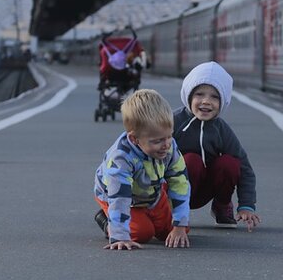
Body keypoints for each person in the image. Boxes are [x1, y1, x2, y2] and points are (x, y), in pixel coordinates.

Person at [93, 88, 192, 250]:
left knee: (177, 230)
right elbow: (120, 197)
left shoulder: (169, 146)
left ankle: (147, 214)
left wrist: (179, 225)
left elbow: (180, 182)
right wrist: (119, 236)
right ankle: (106, 220)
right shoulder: (121, 158)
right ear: (134, 138)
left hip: (151, 191)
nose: (166, 144)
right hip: (119, 196)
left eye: (169, 136)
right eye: (157, 140)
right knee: (141, 233)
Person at [173, 61, 260, 231]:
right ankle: (175, 211)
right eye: (199, 94)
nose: (206, 101)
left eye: (215, 97)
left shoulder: (221, 130)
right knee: (190, 160)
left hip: (206, 189)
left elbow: (245, 168)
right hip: (174, 189)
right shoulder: (172, 122)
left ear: (224, 101)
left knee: (230, 163)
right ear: (188, 96)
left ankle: (221, 205)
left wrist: (247, 205)